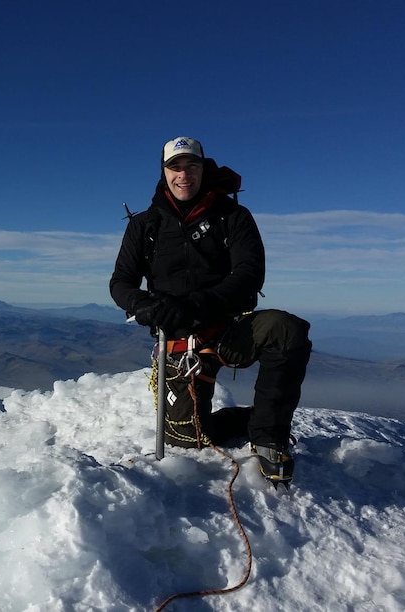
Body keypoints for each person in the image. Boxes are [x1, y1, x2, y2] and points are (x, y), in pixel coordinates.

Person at [109, 136, 312, 487]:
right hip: (179, 341)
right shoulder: (145, 226)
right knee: (187, 439)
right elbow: (121, 282)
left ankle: (268, 435)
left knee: (285, 329)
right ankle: (252, 419)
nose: (183, 174)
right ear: (164, 172)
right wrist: (145, 306)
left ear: (204, 169)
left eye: (191, 166)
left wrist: (194, 304)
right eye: (175, 167)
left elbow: (249, 274)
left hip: (230, 328)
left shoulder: (232, 217)